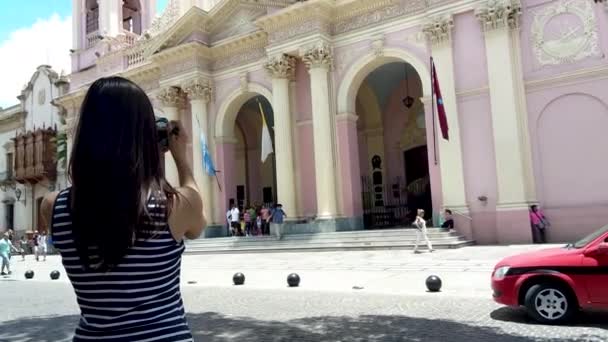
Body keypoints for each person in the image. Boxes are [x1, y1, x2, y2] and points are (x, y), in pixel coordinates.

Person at [40, 77, 204, 342]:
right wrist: (179, 157)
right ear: (146, 136)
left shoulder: (53, 206)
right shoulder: (173, 206)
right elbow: (197, 226)